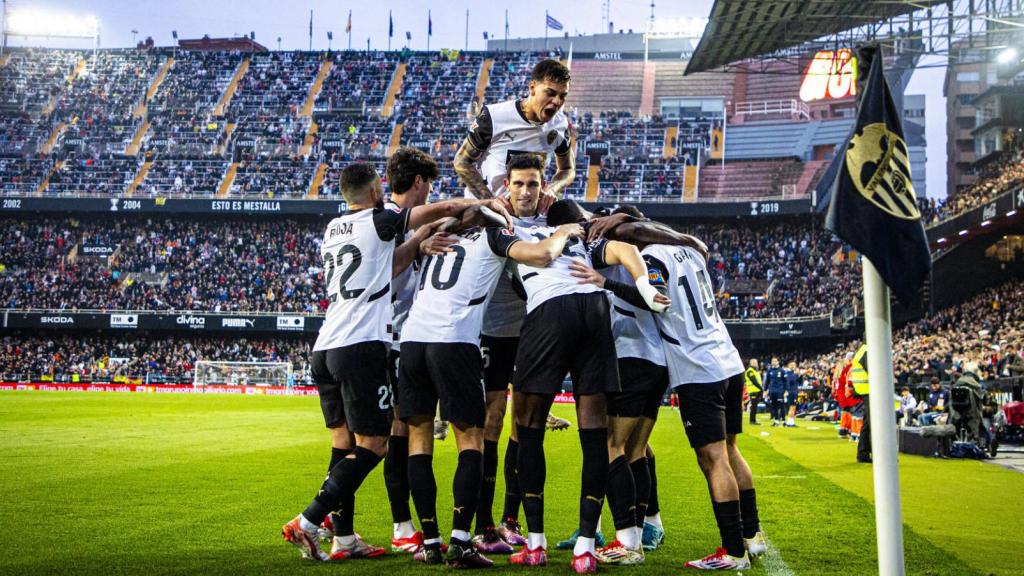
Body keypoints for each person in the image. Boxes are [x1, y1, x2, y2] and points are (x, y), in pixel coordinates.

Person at [280, 163, 512, 562]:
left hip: (325, 344)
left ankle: (344, 538)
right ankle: (309, 520)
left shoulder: (333, 229)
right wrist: (485, 203)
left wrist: (418, 241)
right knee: (376, 443)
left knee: (343, 445)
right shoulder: (380, 218)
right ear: (375, 192)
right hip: (361, 345)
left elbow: (385, 268)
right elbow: (446, 208)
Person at [398, 201, 575, 567]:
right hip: (454, 339)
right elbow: (540, 255)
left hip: (412, 340)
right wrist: (564, 232)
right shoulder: (494, 236)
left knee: (418, 440)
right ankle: (461, 542)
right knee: (471, 440)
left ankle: (430, 543)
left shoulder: (442, 233)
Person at [453, 59, 577, 553]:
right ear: (532, 88)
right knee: (492, 414)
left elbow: (567, 170)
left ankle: (508, 518)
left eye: (561, 97)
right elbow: (462, 163)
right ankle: (484, 522)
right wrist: (492, 201)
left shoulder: (560, 126)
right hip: (492, 249)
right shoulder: (495, 116)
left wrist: (552, 192)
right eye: (549, 94)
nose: (554, 103)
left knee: (525, 417)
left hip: (532, 258)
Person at [507, 198, 669, 574]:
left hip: (554, 316)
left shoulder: (520, 237)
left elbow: (517, 281)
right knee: (604, 440)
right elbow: (628, 247)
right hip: (600, 321)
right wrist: (644, 286)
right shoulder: (589, 244)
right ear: (579, 222)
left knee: (528, 431)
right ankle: (587, 544)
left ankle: (537, 544)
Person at [639, 240, 764, 569]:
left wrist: (607, 282)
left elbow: (655, 300)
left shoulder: (651, 257)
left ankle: (734, 551)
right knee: (731, 450)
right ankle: (752, 535)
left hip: (698, 369)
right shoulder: (692, 251)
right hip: (729, 360)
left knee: (713, 459)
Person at [849, 344, 871, 463]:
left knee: (868, 423)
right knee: (871, 423)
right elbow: (872, 370)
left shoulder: (861, 351)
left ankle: (863, 454)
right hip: (869, 390)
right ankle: (865, 453)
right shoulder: (867, 350)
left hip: (864, 390)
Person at [764, 358, 786, 427]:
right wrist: (765, 390)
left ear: (778, 362)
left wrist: (786, 390)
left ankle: (784, 421)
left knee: (781, 406)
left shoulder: (782, 370)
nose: (773, 362)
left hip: (780, 391)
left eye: (775, 361)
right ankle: (776, 421)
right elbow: (767, 381)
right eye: (772, 361)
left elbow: (785, 381)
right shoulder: (769, 371)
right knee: (774, 406)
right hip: (772, 391)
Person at [744, 359, 763, 425]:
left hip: (757, 390)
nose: (755, 363)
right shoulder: (750, 371)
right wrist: (761, 388)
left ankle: (753, 420)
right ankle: (752, 421)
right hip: (753, 391)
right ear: (750, 363)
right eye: (754, 362)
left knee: (755, 406)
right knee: (753, 406)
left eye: (756, 362)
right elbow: (754, 381)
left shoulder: (755, 371)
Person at [784, 361, 802, 427]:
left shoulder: (794, 374)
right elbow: (789, 382)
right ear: (788, 366)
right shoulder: (788, 374)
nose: (793, 366)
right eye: (792, 365)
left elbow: (800, 382)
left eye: (794, 365)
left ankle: (791, 422)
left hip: (795, 392)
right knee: (792, 407)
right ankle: (789, 422)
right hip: (791, 392)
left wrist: (800, 375)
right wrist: (786, 391)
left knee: (794, 408)